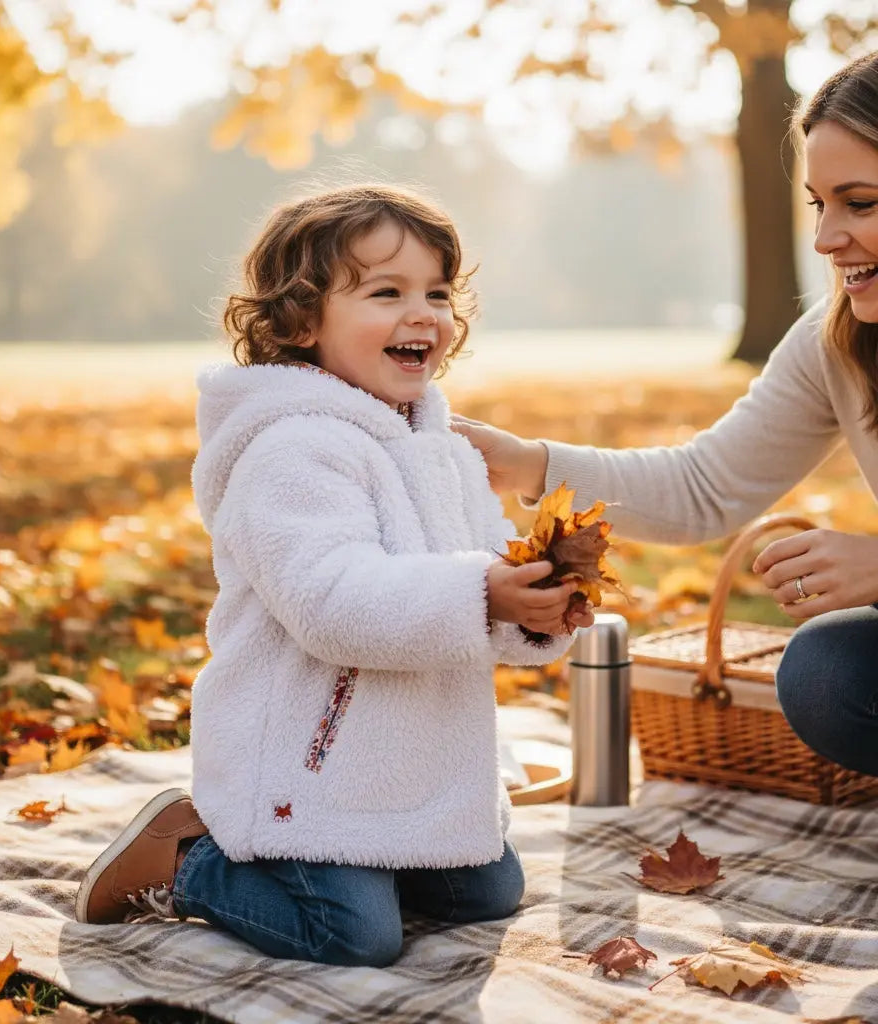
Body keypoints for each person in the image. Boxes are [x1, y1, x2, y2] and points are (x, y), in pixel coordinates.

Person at [74, 184, 593, 964]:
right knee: (355, 937)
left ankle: (375, 862)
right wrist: (479, 591)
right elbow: (332, 603)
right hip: (306, 769)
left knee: (488, 894)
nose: (424, 313)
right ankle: (186, 862)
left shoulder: (447, 453)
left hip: (417, 766)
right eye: (387, 293)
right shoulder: (289, 450)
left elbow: (486, 582)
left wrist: (530, 612)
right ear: (301, 321)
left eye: (437, 293)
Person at [452, 52, 878, 780]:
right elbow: (704, 487)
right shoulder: (834, 343)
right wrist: (527, 463)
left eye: (860, 202)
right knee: (827, 673)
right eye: (818, 203)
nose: (825, 239)